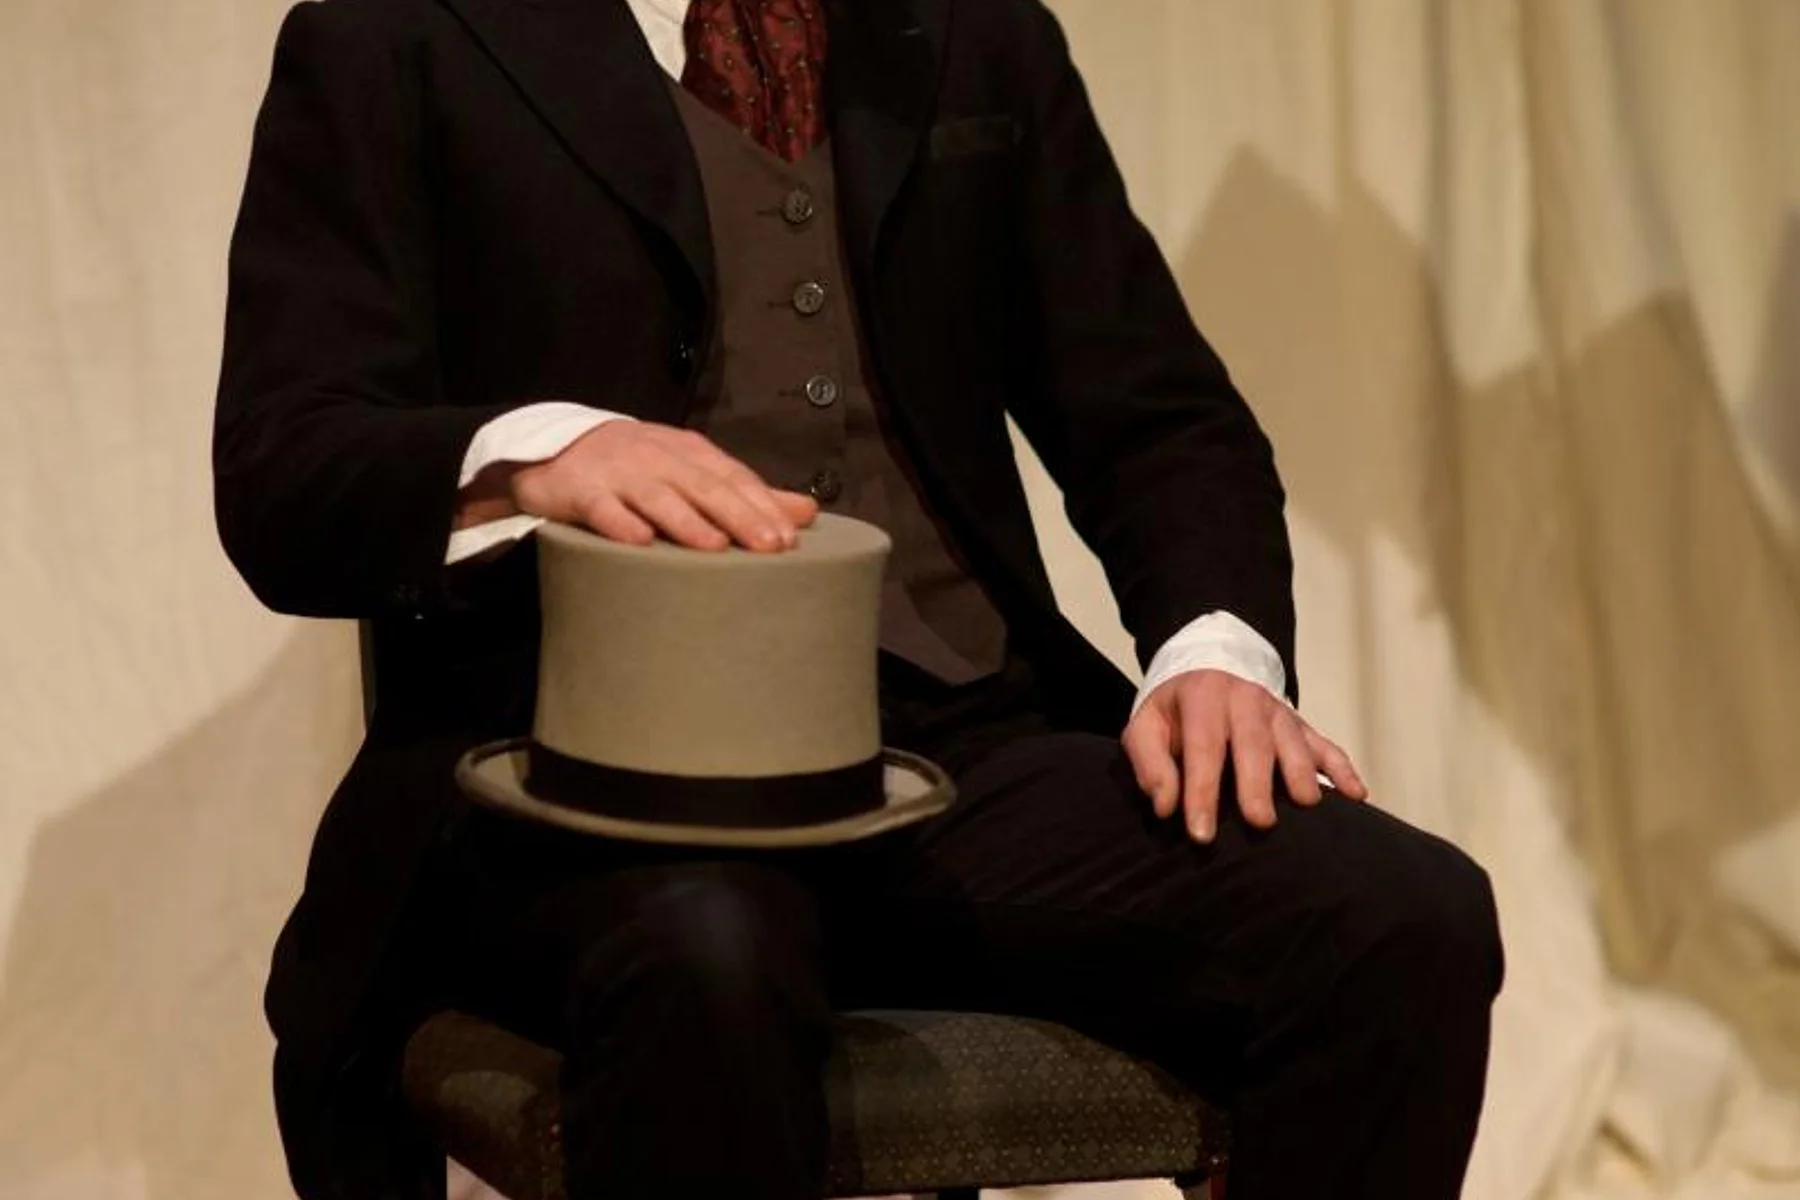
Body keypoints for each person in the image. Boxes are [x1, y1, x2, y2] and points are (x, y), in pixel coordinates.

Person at [213, 0, 1504, 1196]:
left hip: (959, 749)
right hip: (583, 785)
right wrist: (541, 455)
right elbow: (285, 467)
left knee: (1400, 918)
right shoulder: (394, 36)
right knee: (709, 961)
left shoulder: (972, 33)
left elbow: (1157, 418)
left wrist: (1212, 653)